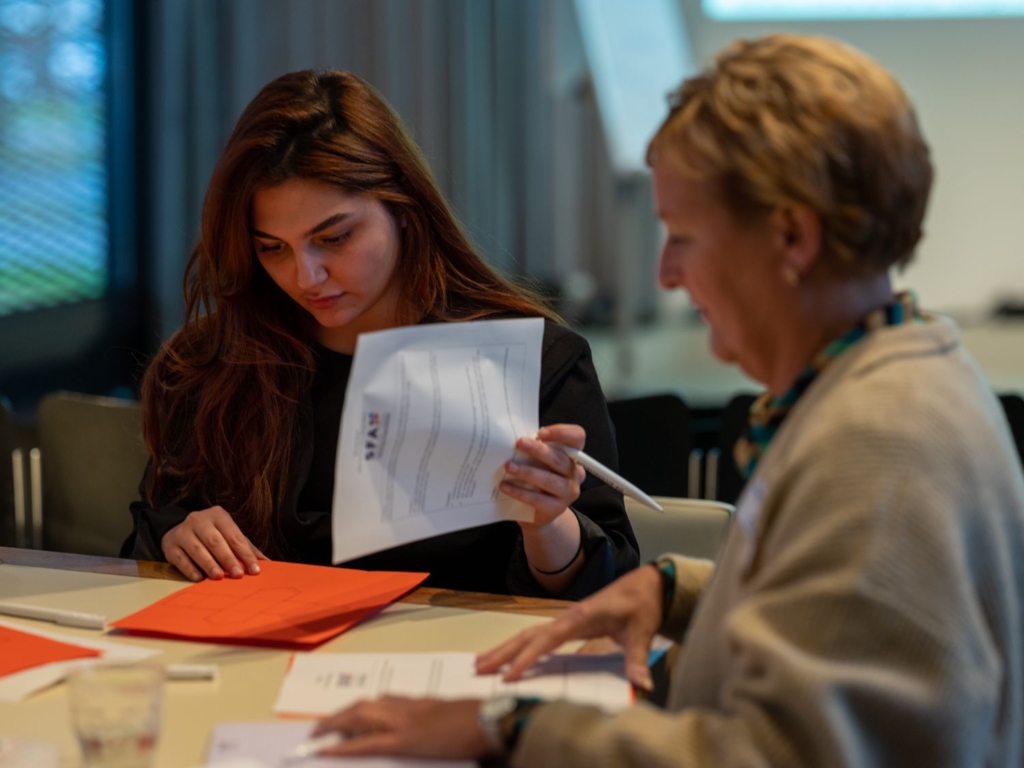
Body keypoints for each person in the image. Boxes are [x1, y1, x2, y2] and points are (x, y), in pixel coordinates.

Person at [309, 34, 1024, 767]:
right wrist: (682, 593)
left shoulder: (878, 444)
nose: (667, 272)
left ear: (791, 237)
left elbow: (776, 756)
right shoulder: (901, 373)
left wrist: (509, 727)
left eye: (683, 236)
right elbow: (853, 618)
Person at [123, 69, 638, 599]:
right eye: (272, 248)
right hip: (256, 645)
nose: (306, 277)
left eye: (335, 238)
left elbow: (610, 586)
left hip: (463, 646)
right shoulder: (216, 363)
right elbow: (149, 533)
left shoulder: (532, 360)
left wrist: (547, 524)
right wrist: (177, 536)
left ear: (403, 208)